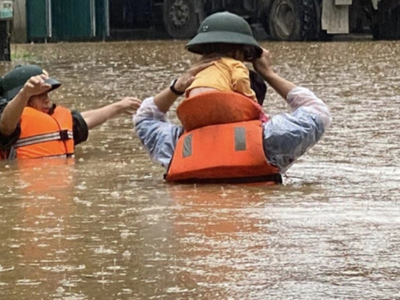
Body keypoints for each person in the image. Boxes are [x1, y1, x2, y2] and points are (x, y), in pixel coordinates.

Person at [133, 47, 331, 183]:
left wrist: (176, 87)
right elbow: (318, 112)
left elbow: (144, 117)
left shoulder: (175, 146)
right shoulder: (270, 139)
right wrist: (268, 74)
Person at [0, 64, 141, 159]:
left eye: (47, 95)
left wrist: (118, 107)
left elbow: (84, 120)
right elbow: (6, 126)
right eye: (40, 95)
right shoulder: (9, 126)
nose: (47, 100)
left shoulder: (53, 122)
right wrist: (25, 93)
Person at [183, 12, 261, 103]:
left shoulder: (199, 67)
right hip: (218, 98)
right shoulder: (235, 64)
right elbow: (240, 79)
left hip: (192, 97)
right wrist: (252, 100)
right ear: (236, 53)